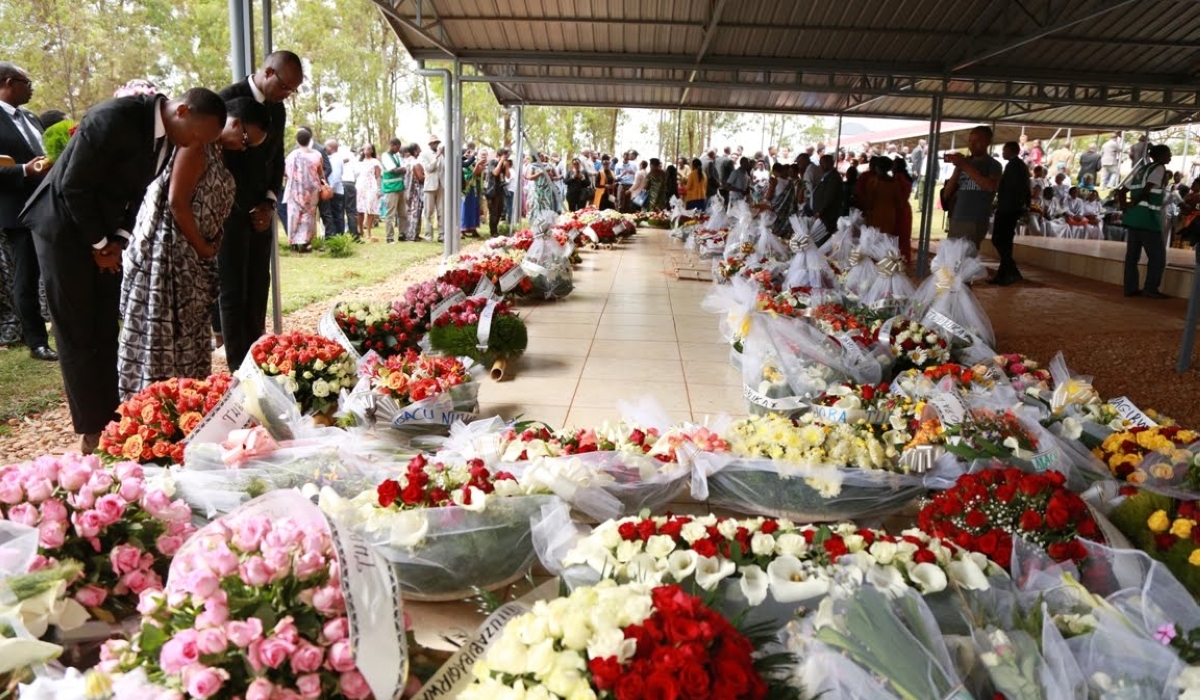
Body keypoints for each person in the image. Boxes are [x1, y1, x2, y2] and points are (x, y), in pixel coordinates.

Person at [21, 88, 226, 453]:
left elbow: (137, 194)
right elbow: (73, 186)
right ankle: (91, 430)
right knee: (77, 332)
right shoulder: (112, 117)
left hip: (103, 232)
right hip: (63, 230)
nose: (196, 145)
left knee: (104, 328)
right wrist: (100, 245)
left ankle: (113, 416)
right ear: (182, 111)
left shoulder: (168, 138)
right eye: (197, 135)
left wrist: (117, 239)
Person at [118, 98, 269, 399]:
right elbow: (177, 202)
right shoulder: (195, 145)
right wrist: (202, 246)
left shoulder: (217, 152)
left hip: (195, 257)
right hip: (170, 257)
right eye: (245, 139)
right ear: (235, 123)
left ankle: (187, 405)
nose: (244, 147)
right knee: (165, 341)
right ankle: (156, 410)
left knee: (190, 340)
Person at [217, 50, 303, 371]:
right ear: (268, 73)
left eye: (293, 90)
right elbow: (218, 162)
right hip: (228, 211)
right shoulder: (225, 101)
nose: (287, 95)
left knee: (258, 285)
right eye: (285, 87)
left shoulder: (277, 110)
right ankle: (238, 366)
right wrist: (237, 208)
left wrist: (268, 202)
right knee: (232, 289)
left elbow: (276, 158)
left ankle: (257, 356)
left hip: (261, 211)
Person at [0, 62, 55, 360]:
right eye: (26, 82)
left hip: (49, 205)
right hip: (18, 212)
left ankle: (64, 330)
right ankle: (36, 341)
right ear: (9, 82)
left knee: (57, 270)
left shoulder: (32, 117)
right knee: (27, 276)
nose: (30, 87)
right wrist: (23, 170)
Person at [1117, 143, 1172, 298]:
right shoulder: (1159, 168)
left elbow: (1122, 191)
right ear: (1159, 156)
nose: (1170, 156)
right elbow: (1147, 188)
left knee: (1132, 256)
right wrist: (1134, 202)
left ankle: (1130, 288)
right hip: (1148, 219)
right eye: (1168, 153)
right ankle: (1150, 289)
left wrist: (1125, 206)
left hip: (1133, 218)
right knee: (1157, 257)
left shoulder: (1142, 169)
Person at [943, 125, 1003, 254]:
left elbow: (990, 187)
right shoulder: (965, 163)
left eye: (977, 141)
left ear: (988, 142)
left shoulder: (993, 165)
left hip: (975, 220)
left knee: (965, 261)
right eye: (970, 141)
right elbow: (947, 193)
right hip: (957, 217)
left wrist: (965, 166)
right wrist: (958, 169)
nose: (972, 144)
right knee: (949, 259)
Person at [990, 141, 1031, 286]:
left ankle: (1011, 271)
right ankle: (1005, 273)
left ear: (1011, 150)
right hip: (1010, 208)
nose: (1002, 153)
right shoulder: (1019, 166)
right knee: (1005, 241)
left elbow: (1013, 190)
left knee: (999, 239)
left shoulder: (1014, 166)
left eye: (1004, 150)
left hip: (1008, 209)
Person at [283, 129, 322, 252]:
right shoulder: (317, 155)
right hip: (311, 191)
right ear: (310, 140)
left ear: (297, 140)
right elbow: (320, 172)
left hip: (295, 190)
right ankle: (306, 243)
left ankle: (294, 243)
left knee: (294, 215)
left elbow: (285, 172)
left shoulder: (292, 155)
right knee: (308, 216)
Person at [810, 154, 843, 247]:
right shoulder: (827, 175)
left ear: (830, 163)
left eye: (823, 163)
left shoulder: (833, 177)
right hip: (822, 214)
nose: (821, 166)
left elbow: (829, 196)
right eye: (820, 163)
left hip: (826, 215)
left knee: (821, 240)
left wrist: (820, 211)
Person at [380, 138, 407, 243]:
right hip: (391, 188)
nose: (398, 149)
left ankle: (402, 234)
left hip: (400, 187)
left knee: (403, 213)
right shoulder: (385, 156)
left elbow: (403, 169)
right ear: (392, 145)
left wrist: (400, 169)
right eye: (397, 147)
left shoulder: (397, 156)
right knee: (390, 214)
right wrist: (400, 169)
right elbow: (394, 169)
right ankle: (389, 236)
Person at [420, 134, 445, 240]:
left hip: (442, 186)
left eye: (438, 143)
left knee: (442, 211)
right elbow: (429, 168)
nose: (437, 145)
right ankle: (428, 235)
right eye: (435, 143)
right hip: (430, 186)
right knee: (428, 212)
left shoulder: (444, 155)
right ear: (430, 144)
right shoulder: (424, 154)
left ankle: (442, 235)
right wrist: (437, 157)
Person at [356, 144, 382, 241]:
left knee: (370, 209)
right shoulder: (359, 162)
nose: (366, 150)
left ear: (372, 151)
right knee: (360, 209)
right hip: (360, 186)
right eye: (365, 148)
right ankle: (361, 230)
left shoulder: (375, 162)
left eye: (369, 149)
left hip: (371, 186)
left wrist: (379, 189)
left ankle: (369, 231)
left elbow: (378, 176)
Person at [485, 148, 510, 236]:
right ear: (498, 156)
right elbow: (495, 172)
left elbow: (508, 176)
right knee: (493, 212)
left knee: (499, 211)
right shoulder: (492, 162)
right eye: (504, 156)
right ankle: (493, 231)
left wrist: (506, 166)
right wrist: (500, 163)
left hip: (500, 191)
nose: (505, 158)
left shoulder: (504, 164)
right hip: (492, 190)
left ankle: (496, 229)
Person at [404, 143, 425, 242]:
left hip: (406, 190)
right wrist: (426, 176)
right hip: (415, 191)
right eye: (419, 149)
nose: (421, 151)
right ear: (415, 151)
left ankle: (409, 233)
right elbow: (420, 178)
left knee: (409, 212)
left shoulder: (406, 162)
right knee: (415, 212)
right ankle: (413, 235)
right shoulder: (415, 163)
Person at [461, 150, 484, 236]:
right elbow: (469, 177)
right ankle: (462, 230)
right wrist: (477, 164)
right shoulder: (464, 165)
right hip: (465, 190)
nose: (469, 156)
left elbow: (477, 174)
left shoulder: (471, 164)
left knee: (473, 209)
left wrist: (480, 165)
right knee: (464, 210)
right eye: (468, 154)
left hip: (473, 188)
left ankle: (472, 228)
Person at [527, 152, 557, 217]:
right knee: (537, 206)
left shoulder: (548, 165)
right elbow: (529, 177)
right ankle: (536, 221)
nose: (543, 157)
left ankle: (547, 222)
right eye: (541, 156)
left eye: (543, 156)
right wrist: (540, 173)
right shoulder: (533, 166)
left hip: (546, 190)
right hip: (537, 189)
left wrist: (549, 173)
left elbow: (551, 178)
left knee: (547, 206)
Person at [325, 140, 346, 235]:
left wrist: (329, 189)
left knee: (337, 217)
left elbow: (336, 177)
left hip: (335, 192)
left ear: (330, 147)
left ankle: (338, 237)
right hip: (333, 191)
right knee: (334, 216)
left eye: (326, 147)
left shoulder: (336, 159)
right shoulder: (332, 158)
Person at [341, 147, 359, 239]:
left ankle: (339, 235)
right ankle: (355, 236)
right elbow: (357, 172)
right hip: (350, 183)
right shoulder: (352, 156)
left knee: (339, 211)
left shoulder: (336, 154)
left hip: (339, 183)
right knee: (351, 211)